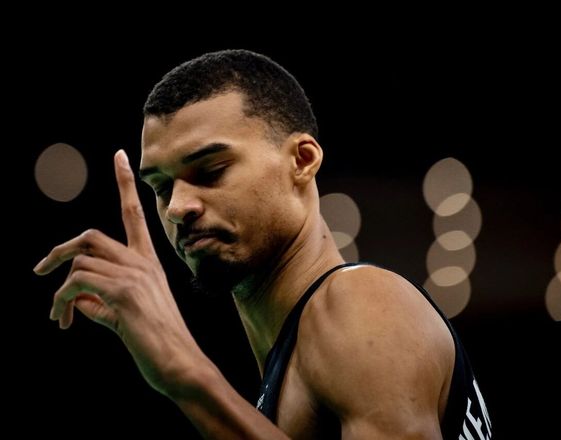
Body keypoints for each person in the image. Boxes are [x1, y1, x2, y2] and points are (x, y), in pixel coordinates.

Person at [33, 49, 492, 439]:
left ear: (302, 160)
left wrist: (183, 369)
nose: (177, 207)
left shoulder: (363, 303)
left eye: (211, 171)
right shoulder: (292, 362)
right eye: (161, 187)